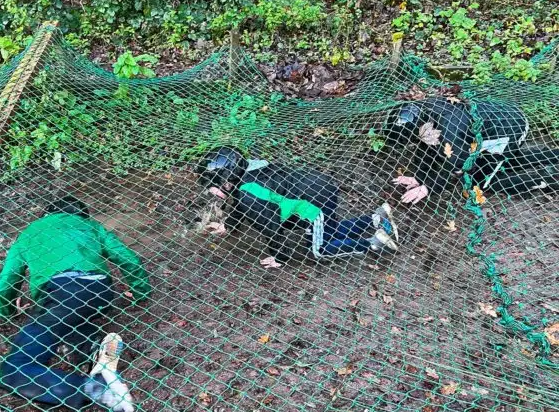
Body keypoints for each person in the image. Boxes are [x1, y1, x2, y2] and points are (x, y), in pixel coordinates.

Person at [0, 195, 151, 412]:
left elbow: (7, 279)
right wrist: (140, 291)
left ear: (47, 214)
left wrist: (6, 309)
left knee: (13, 370)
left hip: (60, 292)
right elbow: (127, 258)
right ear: (80, 214)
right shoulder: (90, 225)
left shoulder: (32, 231)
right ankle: (95, 349)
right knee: (70, 322)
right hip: (100, 292)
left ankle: (96, 389)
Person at [198, 147, 399, 268]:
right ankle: (376, 218)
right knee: (328, 231)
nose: (211, 192)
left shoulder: (248, 195)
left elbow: (270, 228)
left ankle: (373, 242)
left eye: (213, 186)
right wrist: (229, 226)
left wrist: (280, 257)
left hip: (313, 204)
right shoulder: (251, 170)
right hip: (321, 186)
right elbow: (239, 206)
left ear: (226, 179)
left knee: (320, 249)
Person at [386, 97, 559, 204]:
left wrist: (428, 187)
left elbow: (458, 168)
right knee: (501, 161)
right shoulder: (427, 111)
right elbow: (427, 148)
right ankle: (553, 156)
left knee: (484, 181)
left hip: (511, 129)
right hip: (497, 118)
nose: (413, 142)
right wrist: (419, 177)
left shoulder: (450, 133)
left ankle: (548, 180)